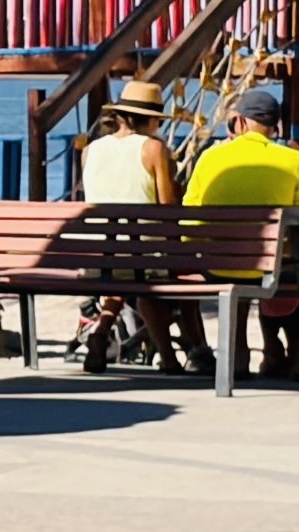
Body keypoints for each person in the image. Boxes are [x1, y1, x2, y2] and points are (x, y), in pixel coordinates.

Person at [183, 90, 299, 382]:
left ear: (240, 123)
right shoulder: (294, 160)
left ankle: (238, 354)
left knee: (239, 262)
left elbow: (188, 227)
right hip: (273, 268)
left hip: (217, 266)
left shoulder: (210, 158)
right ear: (274, 127)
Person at [78, 81, 209, 376]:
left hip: (96, 256)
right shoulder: (153, 148)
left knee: (127, 270)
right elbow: (167, 207)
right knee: (148, 274)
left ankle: (102, 331)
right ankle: (176, 355)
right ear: (150, 120)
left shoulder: (90, 149)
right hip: (142, 254)